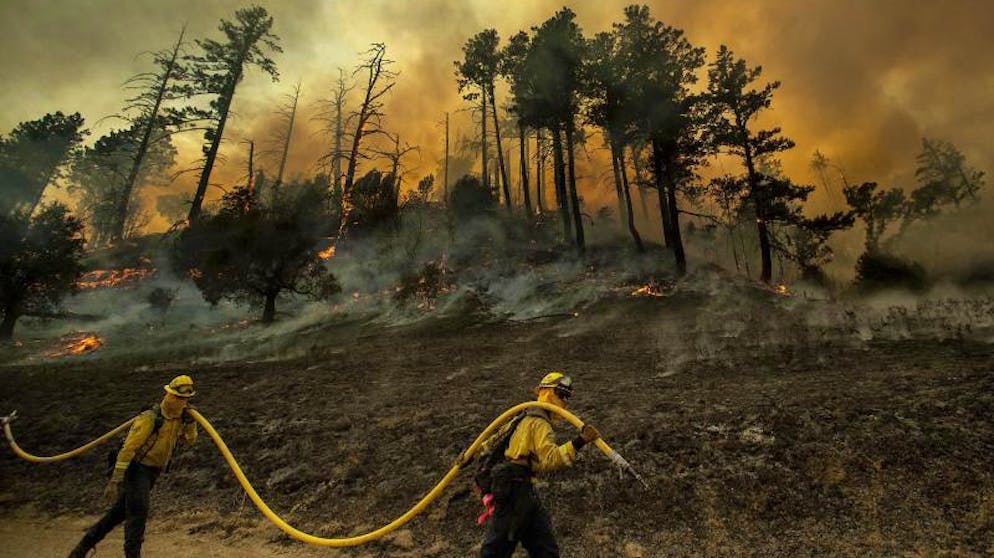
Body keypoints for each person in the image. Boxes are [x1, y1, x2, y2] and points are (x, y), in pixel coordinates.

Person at [67, 375, 198, 558]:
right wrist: (115, 479)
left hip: (152, 472)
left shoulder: (180, 419)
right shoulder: (150, 419)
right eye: (177, 397)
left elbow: (190, 440)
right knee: (138, 514)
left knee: (118, 514)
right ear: (168, 394)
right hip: (137, 470)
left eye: (185, 399)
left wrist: (191, 423)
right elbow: (128, 449)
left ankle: (81, 549)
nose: (180, 402)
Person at [480, 371, 600, 558]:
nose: (565, 401)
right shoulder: (539, 423)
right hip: (514, 491)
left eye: (567, 396)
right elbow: (550, 459)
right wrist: (580, 441)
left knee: (545, 549)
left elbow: (491, 443)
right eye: (561, 395)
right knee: (496, 551)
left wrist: (471, 456)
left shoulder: (523, 416)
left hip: (523, 490)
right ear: (548, 392)